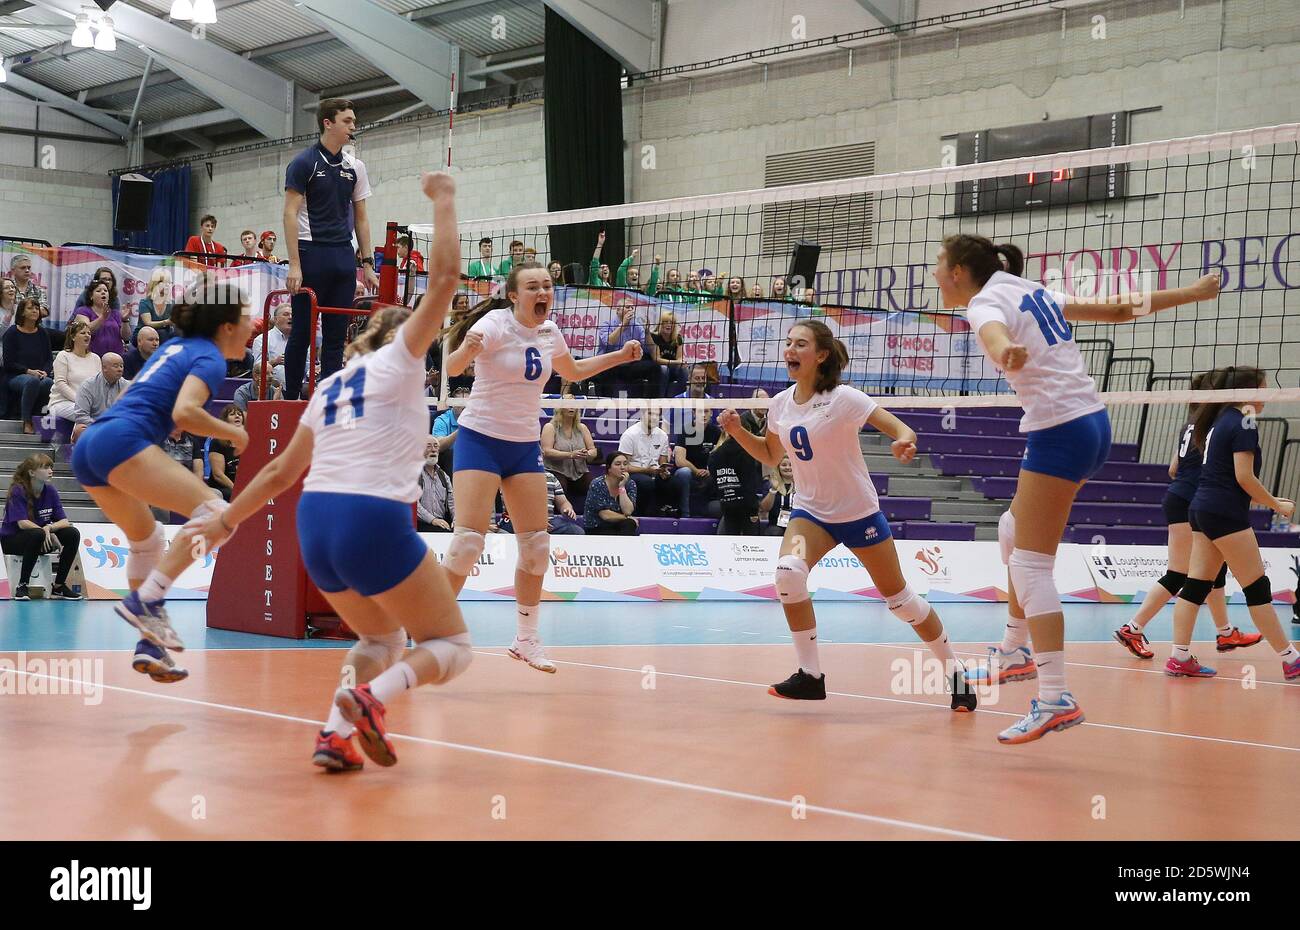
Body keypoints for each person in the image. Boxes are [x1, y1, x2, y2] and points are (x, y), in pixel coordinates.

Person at [187, 171, 467, 772]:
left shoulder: (331, 385)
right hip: (372, 515)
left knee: (379, 638)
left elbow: (280, 472)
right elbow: (443, 280)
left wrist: (227, 520)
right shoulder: (402, 358)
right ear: (402, 335)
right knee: (452, 645)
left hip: (315, 524)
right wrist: (444, 199)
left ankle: (334, 735)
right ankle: (372, 698)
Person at [934, 233, 1222, 743]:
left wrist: (1007, 355)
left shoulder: (983, 304)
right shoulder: (1032, 289)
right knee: (1011, 527)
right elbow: (1116, 310)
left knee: (1029, 564)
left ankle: (1054, 698)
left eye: (939, 264)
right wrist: (1191, 293)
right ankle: (1016, 650)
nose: (934, 274)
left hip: (1060, 430)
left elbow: (996, 336)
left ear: (958, 270)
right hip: (1094, 425)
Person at [719, 320, 975, 712]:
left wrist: (905, 442)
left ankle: (955, 672)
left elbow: (900, 429)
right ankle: (811, 676)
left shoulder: (844, 399)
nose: (789, 350)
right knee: (788, 572)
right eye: (787, 343)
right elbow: (771, 456)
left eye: (799, 344)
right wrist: (737, 431)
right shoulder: (780, 403)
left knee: (901, 601)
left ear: (820, 355)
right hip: (811, 512)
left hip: (858, 513)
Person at [442, 260, 643, 673]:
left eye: (548, 287)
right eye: (533, 287)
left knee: (536, 545)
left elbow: (573, 371)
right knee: (466, 543)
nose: (543, 293)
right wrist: (467, 349)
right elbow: (453, 368)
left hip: (522, 445)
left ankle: (526, 639)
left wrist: (619, 356)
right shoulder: (497, 324)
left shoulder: (550, 332)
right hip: (480, 439)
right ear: (514, 295)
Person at [69, 273, 254, 685]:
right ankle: (147, 598)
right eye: (246, 316)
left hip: (92, 446)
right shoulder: (208, 356)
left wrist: (165, 420)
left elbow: (140, 400)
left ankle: (150, 645)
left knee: (148, 538)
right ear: (226, 326)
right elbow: (188, 413)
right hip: (122, 441)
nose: (253, 323)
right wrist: (233, 432)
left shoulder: (174, 346)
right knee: (216, 511)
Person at [1115, 371, 1259, 658]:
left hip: (1183, 497)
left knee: (1213, 570)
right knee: (1180, 574)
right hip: (1194, 501)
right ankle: (1133, 627)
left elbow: (1172, 469)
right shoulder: (1220, 426)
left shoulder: (1192, 425)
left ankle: (1226, 633)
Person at [1166, 365, 1298, 679]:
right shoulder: (1244, 421)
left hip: (1201, 508)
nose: (1268, 395)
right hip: (1224, 513)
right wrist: (1276, 503)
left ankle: (1179, 657)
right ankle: (1291, 658)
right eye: (1264, 388)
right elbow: (1243, 477)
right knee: (1257, 587)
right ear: (1249, 391)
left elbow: (1227, 477)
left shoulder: (1216, 422)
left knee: (1196, 585)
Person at [282, 98, 379, 400]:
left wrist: (367, 263)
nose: (353, 126)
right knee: (303, 333)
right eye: (347, 121)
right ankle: (290, 397)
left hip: (342, 255)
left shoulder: (356, 167)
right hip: (311, 253)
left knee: (337, 336)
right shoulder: (303, 163)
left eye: (354, 120)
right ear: (328, 123)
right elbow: (289, 214)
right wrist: (294, 264)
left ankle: (328, 399)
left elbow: (361, 217)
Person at [1, 453, 83, 601]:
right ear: (32, 472)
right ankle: (22, 585)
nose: (51, 470)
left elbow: (64, 521)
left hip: (40, 539)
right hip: (12, 542)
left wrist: (49, 529)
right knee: (37, 534)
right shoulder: (18, 490)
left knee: (72, 533)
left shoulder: (50, 491)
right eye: (45, 467)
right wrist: (45, 532)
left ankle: (58, 586)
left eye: (51, 467)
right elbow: (22, 523)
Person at [619, 406, 690, 517]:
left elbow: (663, 462)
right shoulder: (630, 434)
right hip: (634, 473)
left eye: (657, 415)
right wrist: (647, 470)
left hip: (654, 472)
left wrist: (664, 471)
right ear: (642, 414)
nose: (654, 417)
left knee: (675, 483)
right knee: (646, 483)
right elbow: (623, 467)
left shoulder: (662, 436)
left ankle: (666, 511)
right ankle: (641, 514)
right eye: (651, 414)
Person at [2, 299, 53, 432]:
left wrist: (46, 372)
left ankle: (38, 419)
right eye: (31, 308)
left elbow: (48, 359)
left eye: (37, 308)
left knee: (48, 383)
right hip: (15, 376)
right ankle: (27, 421)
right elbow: (8, 363)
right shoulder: (12, 333)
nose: (35, 310)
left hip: (39, 374)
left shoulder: (42, 333)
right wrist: (29, 371)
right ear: (22, 312)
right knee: (32, 382)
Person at [541, 397, 598, 502]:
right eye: (568, 404)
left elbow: (593, 450)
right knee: (560, 486)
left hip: (579, 471)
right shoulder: (550, 427)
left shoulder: (582, 428)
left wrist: (588, 454)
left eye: (574, 404)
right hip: (556, 470)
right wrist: (570, 455)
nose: (572, 407)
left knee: (595, 486)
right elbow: (546, 451)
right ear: (560, 408)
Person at [709, 432, 766, 535]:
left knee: (731, 541)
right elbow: (749, 481)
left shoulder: (715, 454)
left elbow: (714, 478)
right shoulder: (745, 452)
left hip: (726, 501)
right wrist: (754, 508)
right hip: (746, 504)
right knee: (750, 545)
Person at [47, 319, 99, 423]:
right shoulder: (63, 356)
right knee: (85, 414)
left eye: (89, 333)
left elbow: (98, 385)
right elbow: (60, 384)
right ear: (73, 337)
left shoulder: (96, 358)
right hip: (62, 402)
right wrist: (80, 401)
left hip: (89, 404)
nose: (87, 336)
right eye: (83, 333)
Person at [70, 352, 129, 444]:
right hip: (94, 426)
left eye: (121, 366)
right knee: (80, 430)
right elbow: (81, 415)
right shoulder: (88, 386)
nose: (120, 369)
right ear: (104, 368)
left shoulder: (127, 387)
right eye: (116, 366)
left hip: (117, 427)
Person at [502, 471, 584, 536]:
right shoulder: (513, 476)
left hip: (549, 522)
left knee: (577, 531)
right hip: (519, 521)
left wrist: (567, 508)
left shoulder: (550, 477)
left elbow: (563, 502)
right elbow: (513, 507)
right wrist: (536, 523)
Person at [197, 405, 244, 501]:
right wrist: (237, 489)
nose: (237, 416)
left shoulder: (245, 442)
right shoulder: (218, 442)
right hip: (223, 488)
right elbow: (218, 475)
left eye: (239, 414)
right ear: (225, 420)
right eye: (232, 414)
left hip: (242, 486)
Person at [584, 451, 638, 535]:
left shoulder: (630, 484)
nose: (622, 467)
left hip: (617, 524)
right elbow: (605, 515)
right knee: (629, 521)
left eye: (625, 464)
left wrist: (622, 487)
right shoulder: (598, 484)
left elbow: (628, 511)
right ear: (609, 468)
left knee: (630, 524)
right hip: (597, 527)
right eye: (617, 464)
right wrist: (625, 517)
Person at [73, 281, 129, 359]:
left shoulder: (115, 313)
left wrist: (125, 320)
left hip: (116, 358)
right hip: (92, 358)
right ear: (91, 296)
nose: (103, 293)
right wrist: (102, 318)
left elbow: (126, 337)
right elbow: (85, 330)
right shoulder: (83, 311)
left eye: (105, 291)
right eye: (98, 291)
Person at [416, 439, 454, 532]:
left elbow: (452, 501)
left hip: (441, 523)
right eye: (428, 446)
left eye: (436, 446)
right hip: (421, 524)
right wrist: (433, 520)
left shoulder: (444, 476)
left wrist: (456, 519)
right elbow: (414, 504)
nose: (433, 450)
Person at [650, 310, 688, 396]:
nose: (669, 325)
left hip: (673, 368)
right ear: (661, 324)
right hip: (658, 368)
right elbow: (657, 359)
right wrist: (676, 362)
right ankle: (661, 400)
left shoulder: (678, 338)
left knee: (683, 369)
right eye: (666, 322)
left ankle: (681, 398)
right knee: (664, 369)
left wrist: (679, 363)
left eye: (671, 322)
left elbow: (679, 358)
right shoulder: (655, 337)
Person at [135, 269, 176, 345]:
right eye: (163, 282)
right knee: (162, 333)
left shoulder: (172, 303)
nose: (167, 285)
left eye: (169, 283)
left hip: (164, 336)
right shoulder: (145, 303)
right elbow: (148, 323)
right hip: (144, 335)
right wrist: (167, 322)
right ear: (155, 284)